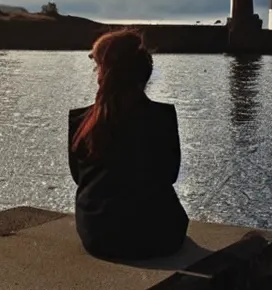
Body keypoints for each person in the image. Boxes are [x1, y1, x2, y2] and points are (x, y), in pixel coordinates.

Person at [68, 29, 189, 260]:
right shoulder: (162, 117)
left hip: (100, 235)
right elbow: (170, 174)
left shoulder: (81, 122)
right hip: (160, 237)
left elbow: (79, 177)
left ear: (102, 73)